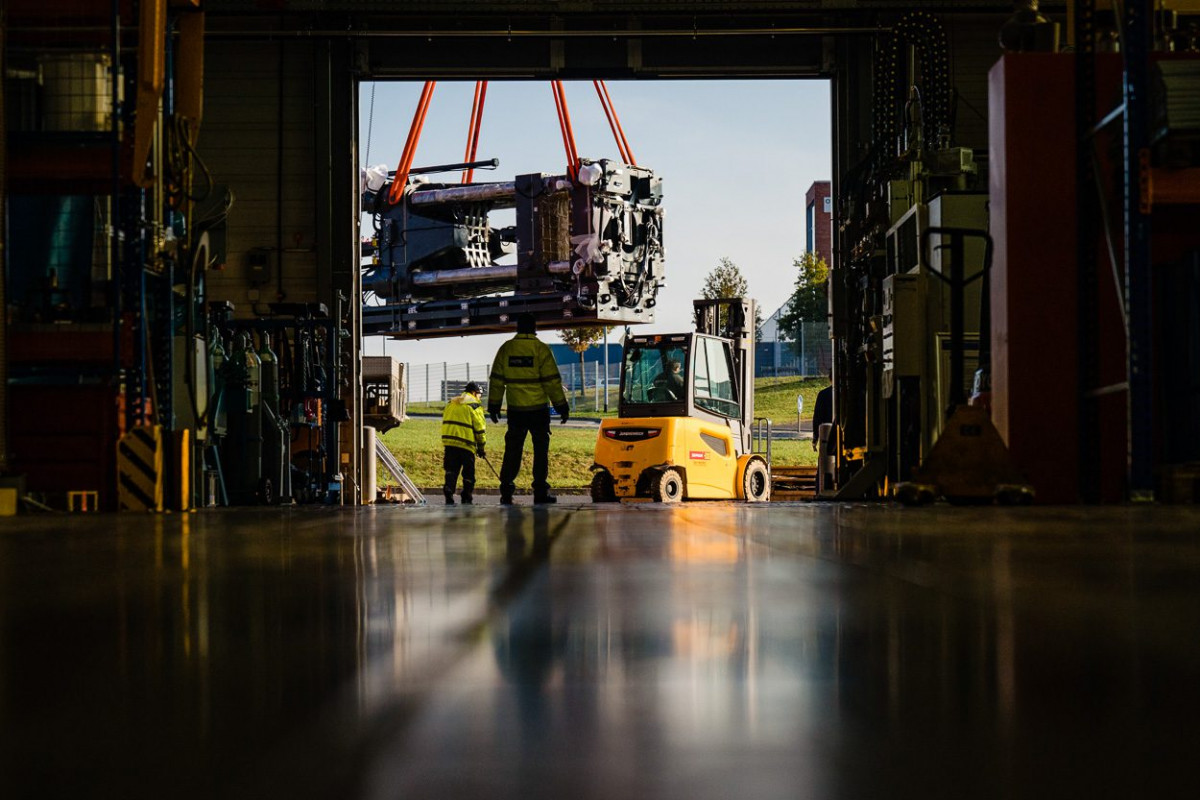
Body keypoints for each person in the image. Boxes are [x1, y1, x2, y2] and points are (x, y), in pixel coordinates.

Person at [488, 313, 570, 505]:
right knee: (540, 452)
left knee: (512, 451)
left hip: (516, 411)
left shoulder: (506, 349)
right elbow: (552, 382)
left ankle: (506, 491)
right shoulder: (541, 349)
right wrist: (561, 406)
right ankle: (540, 493)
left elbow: (497, 381)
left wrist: (494, 406)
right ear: (534, 329)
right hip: (538, 411)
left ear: (517, 328)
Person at [440, 381, 487, 505]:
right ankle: (467, 496)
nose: (480, 397)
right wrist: (481, 446)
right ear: (473, 392)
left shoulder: (452, 402)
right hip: (466, 444)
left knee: (451, 470)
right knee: (468, 473)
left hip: (450, 442)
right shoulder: (474, 405)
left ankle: (449, 490)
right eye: (479, 394)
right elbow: (480, 428)